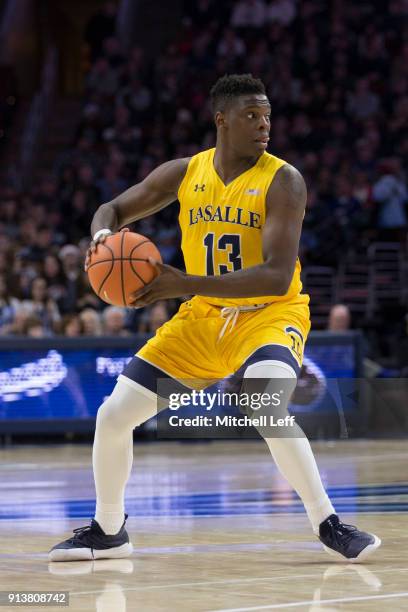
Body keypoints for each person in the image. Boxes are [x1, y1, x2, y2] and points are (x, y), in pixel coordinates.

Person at [49, 74, 381, 562]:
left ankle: (327, 522)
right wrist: (101, 237)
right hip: (202, 320)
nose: (264, 125)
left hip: (268, 315)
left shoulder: (283, 180)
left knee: (264, 402)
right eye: (252, 115)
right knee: (114, 416)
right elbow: (113, 209)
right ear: (221, 120)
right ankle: (109, 528)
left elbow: (272, 277)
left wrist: (180, 283)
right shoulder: (186, 173)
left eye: (267, 116)